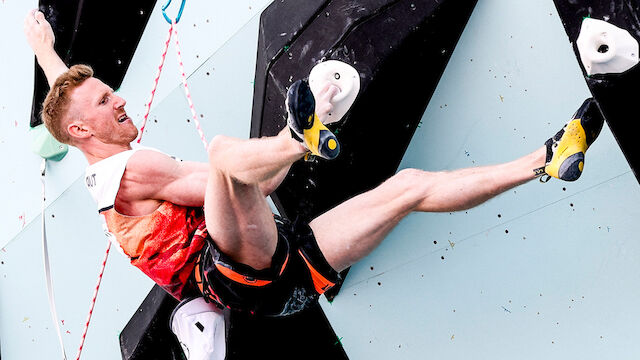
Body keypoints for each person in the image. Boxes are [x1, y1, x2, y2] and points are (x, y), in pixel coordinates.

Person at [24, 8, 604, 319]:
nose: (120, 99)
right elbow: (232, 176)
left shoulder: (94, 158)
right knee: (226, 152)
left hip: (282, 282)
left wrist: (49, 54)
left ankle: (545, 160)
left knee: (407, 186)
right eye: (107, 100)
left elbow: (260, 185)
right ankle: (301, 135)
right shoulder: (132, 171)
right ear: (83, 130)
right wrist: (292, 143)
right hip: (236, 274)